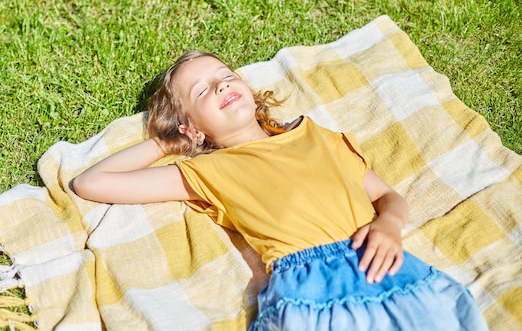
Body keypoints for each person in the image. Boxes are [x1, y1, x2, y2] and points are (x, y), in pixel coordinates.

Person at [72, 51, 488, 331]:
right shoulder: (206, 172)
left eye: (225, 76)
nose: (219, 86)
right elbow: (91, 183)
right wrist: (169, 141)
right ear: (193, 127)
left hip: (382, 262)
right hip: (307, 290)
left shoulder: (315, 136)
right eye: (201, 91)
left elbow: (388, 197)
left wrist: (390, 227)